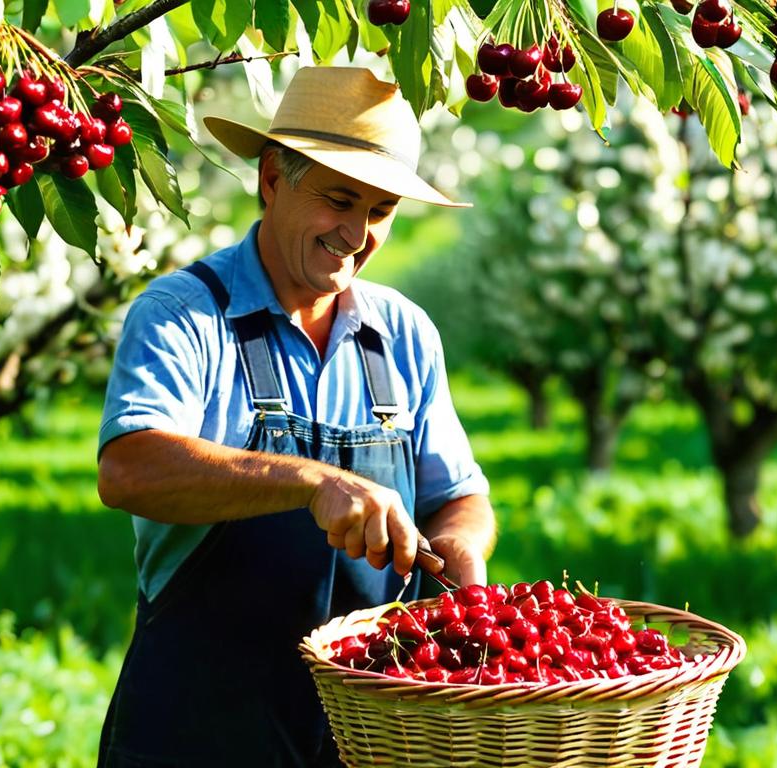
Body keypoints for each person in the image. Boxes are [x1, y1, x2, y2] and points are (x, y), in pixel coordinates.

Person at [95, 66, 496, 767]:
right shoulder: (185, 313)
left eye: (380, 212)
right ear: (273, 181)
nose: (356, 233)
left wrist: (462, 552)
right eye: (339, 200)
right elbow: (130, 469)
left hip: (375, 735)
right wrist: (313, 482)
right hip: (203, 731)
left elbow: (457, 494)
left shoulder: (402, 333)